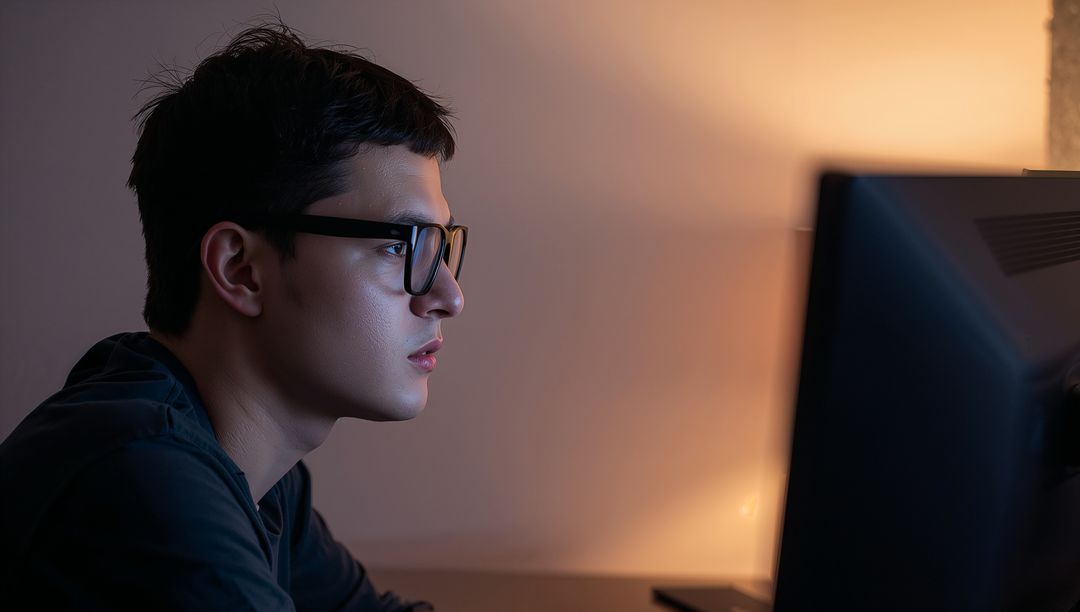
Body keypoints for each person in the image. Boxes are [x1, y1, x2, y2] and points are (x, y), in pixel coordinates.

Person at [0, 21, 465, 611]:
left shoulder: (258, 478)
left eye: (441, 246)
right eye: (402, 244)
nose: (447, 295)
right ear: (242, 269)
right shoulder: (139, 476)